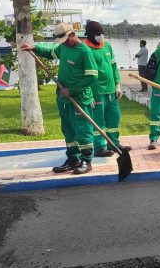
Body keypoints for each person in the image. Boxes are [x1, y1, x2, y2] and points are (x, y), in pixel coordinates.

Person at [22, 24, 98, 174]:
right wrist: (34, 48)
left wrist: (72, 90)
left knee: (83, 130)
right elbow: (51, 53)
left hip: (80, 99)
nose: (63, 43)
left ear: (72, 34)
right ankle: (73, 159)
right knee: (68, 130)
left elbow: (92, 76)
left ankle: (86, 161)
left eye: (65, 39)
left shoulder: (85, 52)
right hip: (64, 99)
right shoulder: (63, 47)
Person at [82, 21, 125, 157]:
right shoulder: (84, 49)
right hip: (96, 92)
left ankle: (114, 144)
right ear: (89, 35)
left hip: (111, 91)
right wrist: (88, 94)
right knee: (98, 120)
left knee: (114, 118)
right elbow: (82, 73)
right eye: (97, 34)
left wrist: (118, 85)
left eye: (102, 33)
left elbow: (113, 67)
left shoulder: (107, 46)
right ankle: (99, 147)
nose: (101, 36)